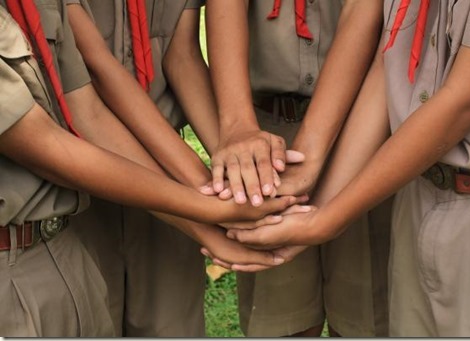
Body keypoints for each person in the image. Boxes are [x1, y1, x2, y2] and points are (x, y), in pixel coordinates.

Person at [0, 1, 304, 336]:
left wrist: (214, 195)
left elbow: (93, 105)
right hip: (69, 196)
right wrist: (207, 206)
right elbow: (46, 134)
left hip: (139, 181)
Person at [221, 0, 470, 337]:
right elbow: (386, 63)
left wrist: (326, 218)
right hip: (419, 197)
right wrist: (315, 198)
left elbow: (465, 100)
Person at [206, 0, 392, 337]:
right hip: (267, 133)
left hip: (367, 127)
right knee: (279, 319)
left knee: (368, 317)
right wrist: (237, 126)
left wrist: (310, 150)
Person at [63, 0, 216, 336]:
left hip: (168, 162)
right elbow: (92, 67)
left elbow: (182, 51)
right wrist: (207, 201)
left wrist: (223, 174)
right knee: (87, 320)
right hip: (70, 172)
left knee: (171, 324)